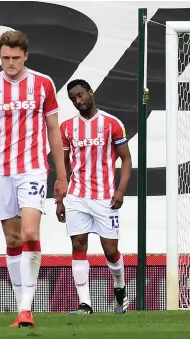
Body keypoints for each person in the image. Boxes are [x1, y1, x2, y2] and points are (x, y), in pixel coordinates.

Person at [0, 30, 68, 327]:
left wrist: (61, 174)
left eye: (15, 58)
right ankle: (21, 305)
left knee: (31, 233)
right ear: (0, 57)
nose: (10, 63)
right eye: (5, 58)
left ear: (26, 56)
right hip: (2, 170)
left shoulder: (43, 84)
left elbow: (54, 131)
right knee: (12, 238)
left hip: (33, 168)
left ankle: (25, 308)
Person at [56, 79, 131, 315]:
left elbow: (126, 159)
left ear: (90, 92)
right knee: (78, 245)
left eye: (80, 96)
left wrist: (120, 190)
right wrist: (60, 199)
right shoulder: (67, 128)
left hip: (105, 197)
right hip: (77, 196)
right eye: (73, 99)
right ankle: (85, 304)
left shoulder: (112, 124)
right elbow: (63, 166)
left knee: (110, 251)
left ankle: (120, 287)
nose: (78, 101)